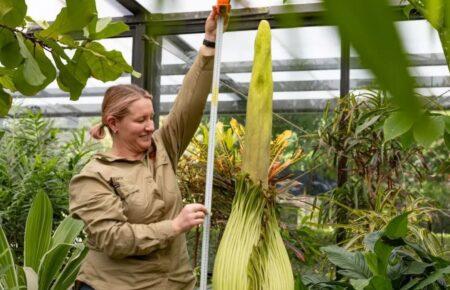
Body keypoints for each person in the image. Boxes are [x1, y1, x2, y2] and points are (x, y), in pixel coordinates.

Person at [69, 7, 227, 290]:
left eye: (151, 117)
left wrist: (209, 43)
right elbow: (112, 239)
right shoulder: (94, 176)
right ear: (114, 124)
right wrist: (175, 226)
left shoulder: (162, 147)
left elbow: (187, 106)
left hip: (175, 282)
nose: (149, 126)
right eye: (140, 120)